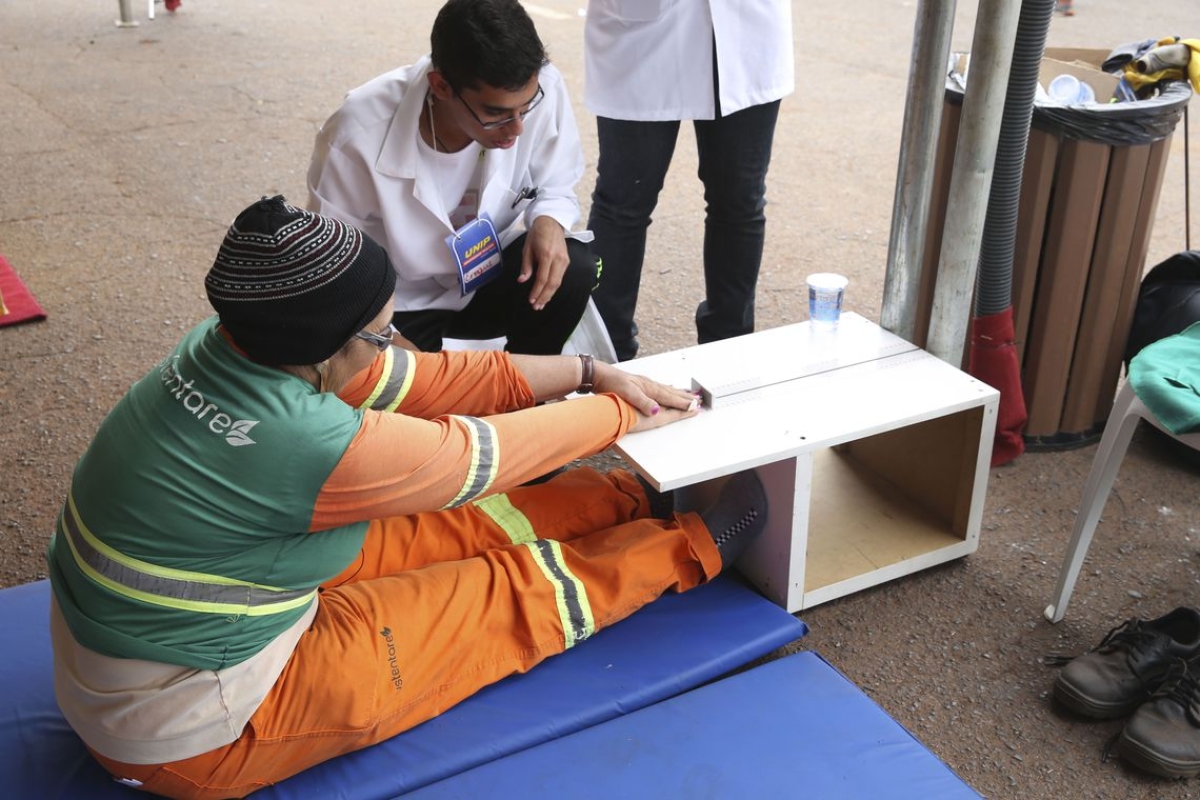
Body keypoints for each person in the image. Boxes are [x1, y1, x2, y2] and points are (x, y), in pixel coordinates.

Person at [46, 196, 767, 799]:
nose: (393, 342)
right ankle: (690, 548)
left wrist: (590, 370)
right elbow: (482, 457)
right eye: (381, 330)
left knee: (455, 525)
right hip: (197, 717)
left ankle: (621, 499)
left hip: (220, 603)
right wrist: (624, 411)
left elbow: (436, 383)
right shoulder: (304, 440)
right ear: (328, 345)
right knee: (496, 597)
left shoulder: (238, 344)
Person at [308, 0, 597, 356]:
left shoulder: (539, 88)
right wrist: (387, 338)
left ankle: (530, 391)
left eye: (525, 108)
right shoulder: (357, 134)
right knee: (417, 402)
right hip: (399, 305)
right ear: (441, 86)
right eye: (495, 113)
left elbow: (557, 182)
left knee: (575, 264)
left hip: (488, 281)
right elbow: (334, 263)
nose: (517, 129)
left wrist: (549, 220)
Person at [583, 0, 795, 361]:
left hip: (745, 26)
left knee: (739, 199)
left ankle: (729, 349)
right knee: (622, 202)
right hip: (642, 29)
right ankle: (605, 354)